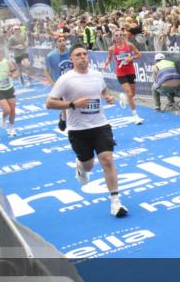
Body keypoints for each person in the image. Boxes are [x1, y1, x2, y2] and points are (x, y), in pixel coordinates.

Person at [46, 44, 127, 218]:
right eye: (78, 55)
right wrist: (72, 104)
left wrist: (107, 96)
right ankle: (81, 168)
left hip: (100, 125)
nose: (82, 57)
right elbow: (50, 103)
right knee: (88, 164)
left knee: (107, 160)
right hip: (78, 129)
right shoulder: (66, 79)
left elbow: (103, 89)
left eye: (84, 54)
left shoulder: (97, 75)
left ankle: (115, 202)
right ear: (72, 59)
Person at [105, 29, 144, 124]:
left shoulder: (129, 45)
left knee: (132, 94)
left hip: (131, 71)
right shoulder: (112, 49)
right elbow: (109, 58)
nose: (119, 37)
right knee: (129, 93)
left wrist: (132, 58)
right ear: (113, 37)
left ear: (124, 36)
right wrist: (106, 63)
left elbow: (139, 54)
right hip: (121, 72)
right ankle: (136, 116)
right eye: (117, 35)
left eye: (121, 35)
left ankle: (124, 99)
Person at [44, 36, 73, 131]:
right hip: (59, 84)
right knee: (64, 105)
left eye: (64, 40)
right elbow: (46, 71)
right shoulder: (51, 56)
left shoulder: (71, 52)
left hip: (73, 82)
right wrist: (52, 83)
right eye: (59, 41)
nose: (62, 42)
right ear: (56, 43)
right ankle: (63, 118)